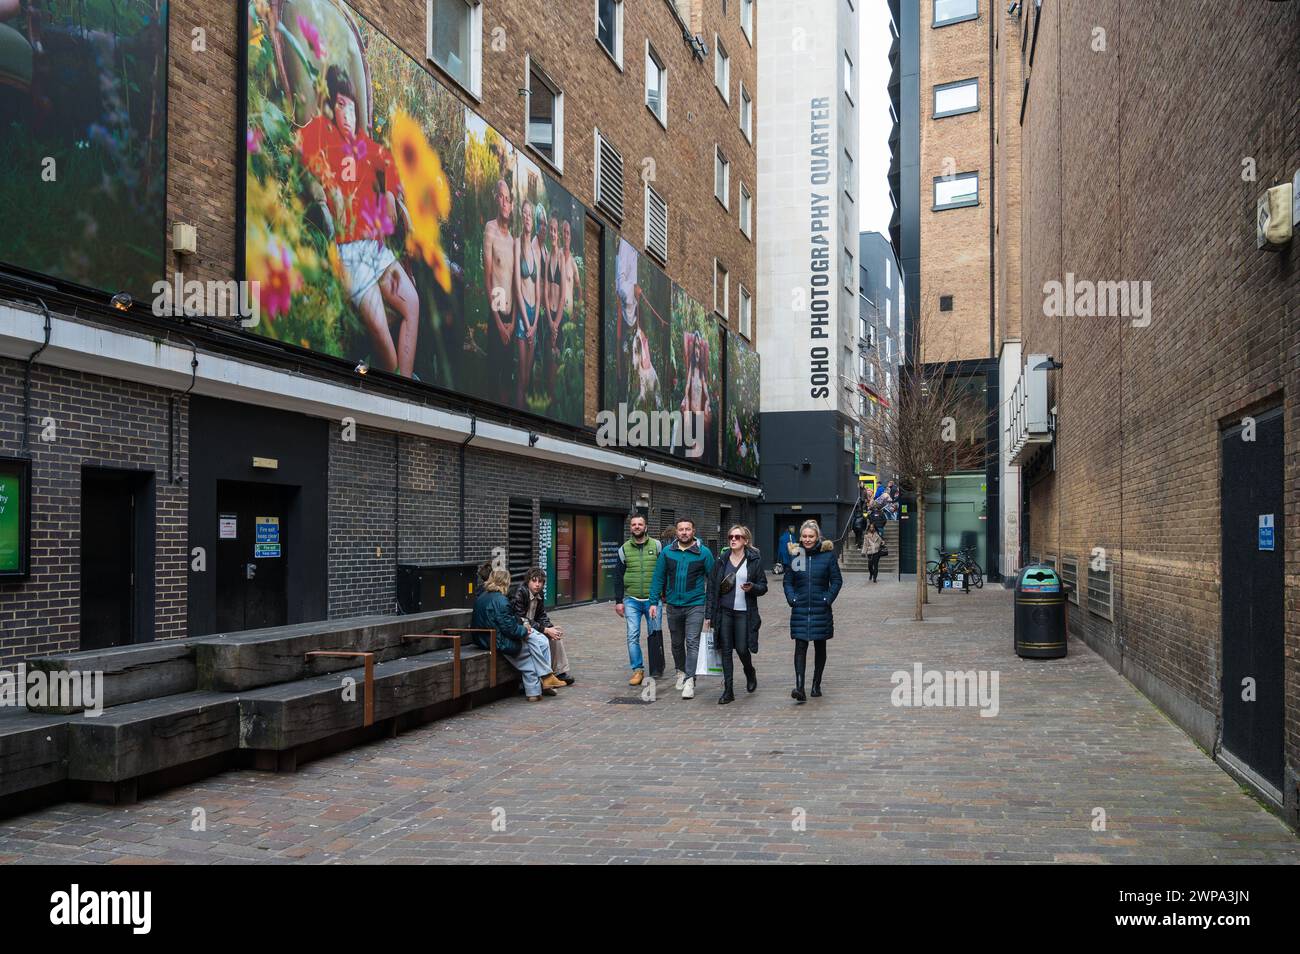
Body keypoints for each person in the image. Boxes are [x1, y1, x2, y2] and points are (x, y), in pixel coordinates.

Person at [297, 65, 419, 377]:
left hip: (375, 249)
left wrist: (390, 193)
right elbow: (300, 144)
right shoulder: (320, 133)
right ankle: (393, 385)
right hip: (349, 253)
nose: (348, 114)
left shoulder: (362, 143)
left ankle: (405, 387)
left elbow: (390, 160)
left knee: (412, 305)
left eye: (351, 106)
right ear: (330, 106)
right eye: (341, 105)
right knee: (384, 343)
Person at [472, 568, 564, 701]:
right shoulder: (500, 600)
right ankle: (544, 679)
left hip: (484, 637)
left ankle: (540, 686)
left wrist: (523, 625)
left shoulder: (484, 597)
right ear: (505, 582)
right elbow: (509, 628)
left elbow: (507, 620)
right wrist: (524, 630)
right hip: (494, 639)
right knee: (533, 648)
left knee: (538, 640)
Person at [649, 518, 715, 699]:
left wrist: (711, 607)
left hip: (695, 604)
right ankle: (680, 671)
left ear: (693, 531)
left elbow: (713, 580)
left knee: (692, 642)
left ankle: (690, 680)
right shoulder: (667, 553)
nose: (684, 532)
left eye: (687, 529)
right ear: (676, 532)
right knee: (677, 643)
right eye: (681, 529)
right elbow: (658, 577)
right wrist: (653, 602)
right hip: (673, 605)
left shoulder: (704, 553)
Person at [705, 525, 766, 704]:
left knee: (741, 648)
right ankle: (728, 690)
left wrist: (753, 587)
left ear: (745, 540)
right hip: (724, 612)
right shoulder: (721, 560)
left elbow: (763, 586)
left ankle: (749, 671)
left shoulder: (754, 561)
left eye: (737, 537)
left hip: (743, 613)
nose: (733, 539)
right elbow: (712, 589)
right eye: (731, 536)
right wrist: (708, 615)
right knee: (725, 650)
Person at [783, 519, 842, 703]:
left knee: (819, 647)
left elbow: (837, 581)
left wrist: (827, 599)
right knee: (800, 647)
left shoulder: (827, 556)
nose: (807, 539)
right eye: (804, 536)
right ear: (800, 537)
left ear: (818, 537)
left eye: (811, 536)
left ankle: (816, 684)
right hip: (800, 609)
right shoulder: (797, 555)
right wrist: (792, 598)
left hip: (820, 608)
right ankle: (799, 687)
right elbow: (788, 581)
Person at [612, 514, 663, 686]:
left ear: (646, 527)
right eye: (633, 524)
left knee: (654, 634)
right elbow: (618, 576)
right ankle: (637, 670)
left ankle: (656, 667)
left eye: (640, 524)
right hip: (631, 600)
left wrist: (663, 594)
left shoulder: (657, 546)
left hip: (653, 600)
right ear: (630, 528)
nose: (637, 527)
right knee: (632, 636)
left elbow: (664, 571)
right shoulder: (624, 549)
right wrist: (618, 601)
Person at [482, 178, 516, 405]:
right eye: (501, 197)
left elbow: (513, 283)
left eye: (508, 199)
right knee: (493, 379)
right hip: (496, 319)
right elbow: (488, 279)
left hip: (510, 319)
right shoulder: (490, 229)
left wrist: (512, 322)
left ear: (511, 205)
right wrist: (498, 323)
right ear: (497, 200)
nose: (504, 202)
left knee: (507, 380)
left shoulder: (513, 240)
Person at [510, 566, 572, 684]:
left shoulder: (540, 594)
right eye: (534, 581)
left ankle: (560, 672)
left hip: (534, 627)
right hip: (522, 627)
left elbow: (542, 615)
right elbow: (521, 618)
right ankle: (545, 677)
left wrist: (550, 628)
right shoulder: (520, 593)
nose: (537, 584)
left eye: (540, 581)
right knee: (543, 638)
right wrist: (545, 630)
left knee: (555, 638)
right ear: (528, 581)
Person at [513, 200, 541, 409]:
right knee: (522, 372)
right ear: (521, 217)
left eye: (530, 214)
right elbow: (516, 285)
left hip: (534, 315)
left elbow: (539, 293)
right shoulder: (517, 244)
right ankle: (516, 421)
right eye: (525, 213)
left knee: (529, 375)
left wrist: (535, 323)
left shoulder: (536, 251)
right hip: (523, 314)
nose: (528, 217)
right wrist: (525, 321)